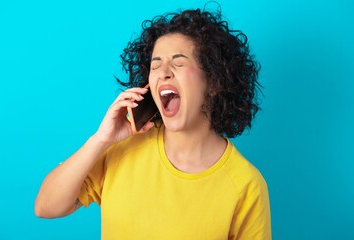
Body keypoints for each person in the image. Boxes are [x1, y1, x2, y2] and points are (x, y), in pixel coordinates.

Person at [35, 7, 271, 240]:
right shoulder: (121, 150)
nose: (163, 73)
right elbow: (45, 207)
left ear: (214, 81)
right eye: (155, 65)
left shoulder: (245, 185)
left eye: (178, 63)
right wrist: (101, 140)